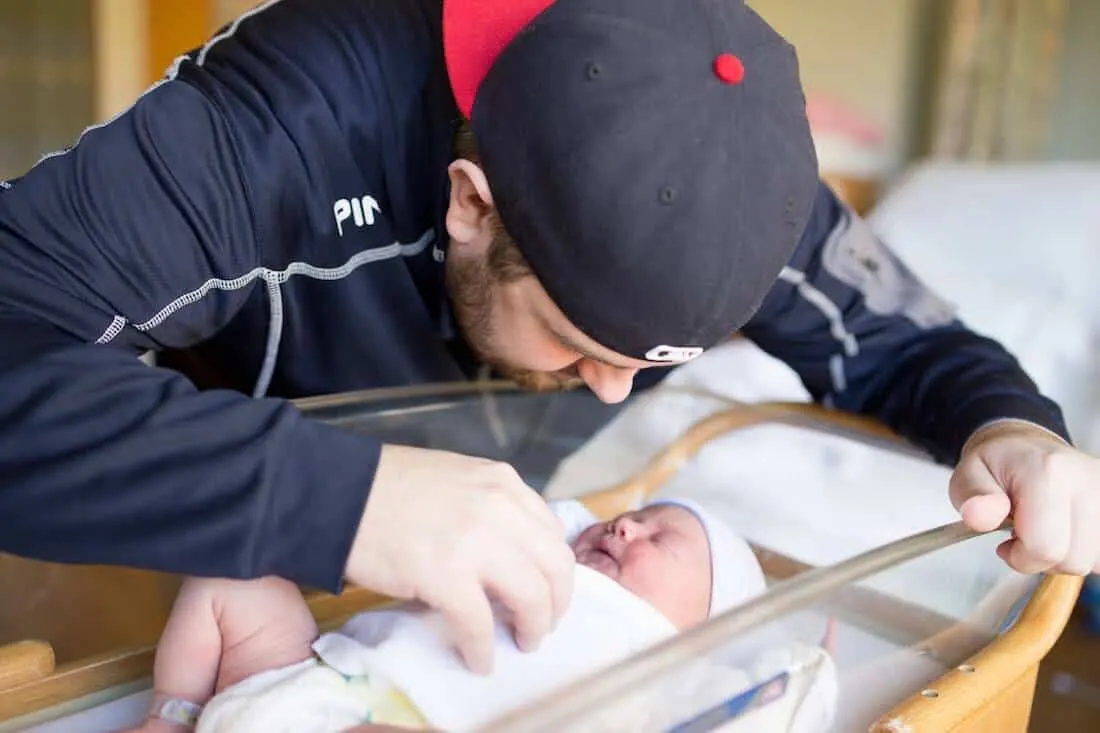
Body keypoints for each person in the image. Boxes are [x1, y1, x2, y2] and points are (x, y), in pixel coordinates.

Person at [0, 0, 1097, 687]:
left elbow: (908, 341)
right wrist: (349, 497)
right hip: (151, 554)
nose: (611, 398)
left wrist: (1011, 427)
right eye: (578, 344)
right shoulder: (276, 126)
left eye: (654, 367)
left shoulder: (725, 175)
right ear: (470, 206)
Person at [119, 498, 836, 733]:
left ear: (706, 620)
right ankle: (174, 712)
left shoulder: (666, 663)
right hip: (304, 677)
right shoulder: (543, 553)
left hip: (398, 721)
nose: (624, 528)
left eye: (659, 538)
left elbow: (766, 701)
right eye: (632, 515)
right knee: (237, 577)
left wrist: (807, 657)